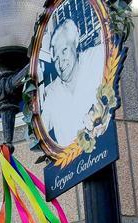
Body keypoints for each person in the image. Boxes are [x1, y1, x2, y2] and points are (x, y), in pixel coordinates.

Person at [39, 17, 105, 145]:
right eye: (56, 58)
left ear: (75, 41)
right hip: (73, 163)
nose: (60, 62)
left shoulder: (96, 57)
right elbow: (39, 134)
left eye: (64, 51)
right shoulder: (52, 93)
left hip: (104, 152)